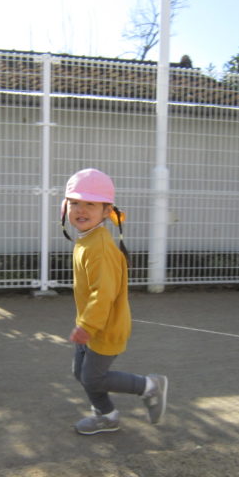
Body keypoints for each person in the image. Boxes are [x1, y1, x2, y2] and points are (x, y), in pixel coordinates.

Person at [61, 168, 168, 435]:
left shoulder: (99, 247)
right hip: (90, 325)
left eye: (90, 204)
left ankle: (149, 387)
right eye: (74, 203)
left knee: (93, 377)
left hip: (104, 327)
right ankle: (106, 415)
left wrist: (87, 325)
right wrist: (85, 324)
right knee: (81, 373)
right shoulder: (87, 239)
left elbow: (103, 294)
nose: (80, 209)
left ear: (107, 211)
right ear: (65, 207)